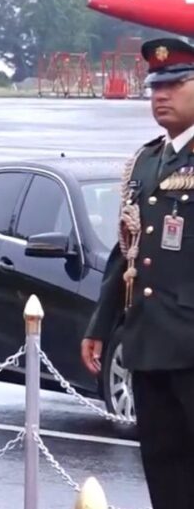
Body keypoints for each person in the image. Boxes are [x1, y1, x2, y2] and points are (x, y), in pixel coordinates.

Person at [82, 37, 194, 509]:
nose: (161, 96)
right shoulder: (146, 162)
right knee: (164, 469)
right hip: (149, 342)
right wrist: (100, 325)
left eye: (175, 84)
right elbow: (127, 251)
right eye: (155, 87)